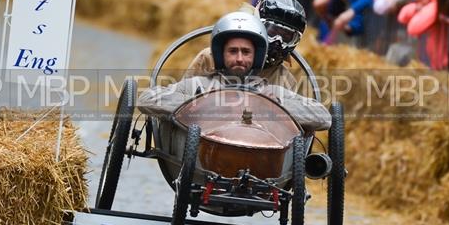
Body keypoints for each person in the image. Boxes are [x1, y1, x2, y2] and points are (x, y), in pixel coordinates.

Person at [139, 11, 331, 132]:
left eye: (246, 52)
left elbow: (323, 117)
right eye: (232, 51)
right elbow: (146, 99)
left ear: (256, 56)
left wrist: (278, 107)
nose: (240, 58)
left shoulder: (272, 93)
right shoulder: (200, 86)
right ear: (220, 54)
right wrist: (194, 103)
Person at [185, 0, 305, 90]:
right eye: (272, 32)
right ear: (258, 25)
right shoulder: (208, 58)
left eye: (286, 38)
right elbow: (180, 99)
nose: (278, 42)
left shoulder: (285, 79)